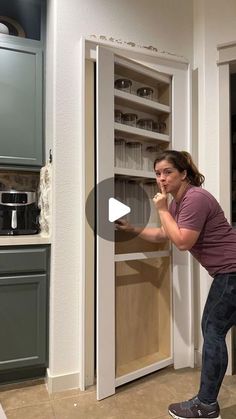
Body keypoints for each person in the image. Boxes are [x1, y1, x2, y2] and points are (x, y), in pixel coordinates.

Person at [116, 149, 236, 419]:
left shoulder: (195, 198)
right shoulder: (177, 204)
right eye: (157, 174)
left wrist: (160, 208)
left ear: (184, 173)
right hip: (229, 272)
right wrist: (133, 229)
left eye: (168, 172)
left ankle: (206, 406)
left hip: (231, 272)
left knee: (213, 331)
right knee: (216, 330)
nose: (162, 179)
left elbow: (182, 242)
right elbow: (163, 233)